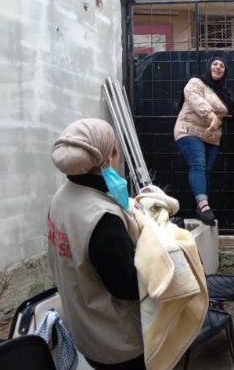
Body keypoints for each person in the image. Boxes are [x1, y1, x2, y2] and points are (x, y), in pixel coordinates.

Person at [47, 118, 144, 370]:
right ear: (106, 159)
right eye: (116, 148)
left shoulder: (61, 198)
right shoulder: (103, 220)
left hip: (84, 329)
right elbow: (128, 286)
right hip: (118, 343)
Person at [174, 56, 234, 225]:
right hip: (189, 130)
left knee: (206, 171)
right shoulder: (196, 82)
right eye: (215, 64)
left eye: (221, 66)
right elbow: (194, 98)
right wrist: (211, 116)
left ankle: (202, 208)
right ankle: (203, 205)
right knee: (198, 165)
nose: (218, 67)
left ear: (225, 71)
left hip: (211, 137)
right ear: (209, 67)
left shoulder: (225, 93)